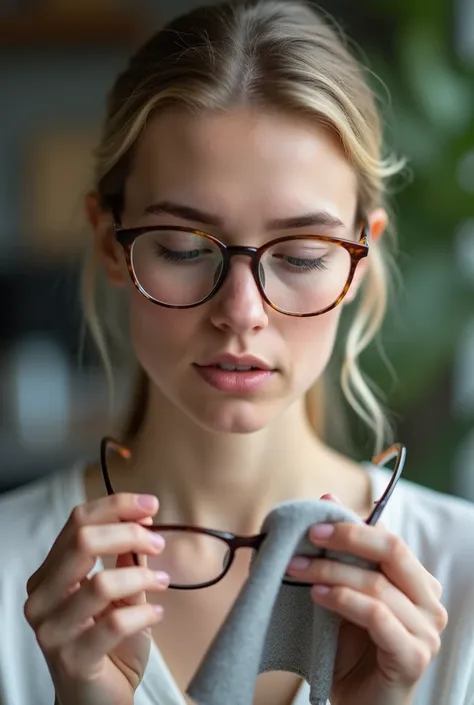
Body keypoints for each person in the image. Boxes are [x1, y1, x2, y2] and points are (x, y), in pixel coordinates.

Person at [1, 1, 473, 703]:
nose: (241, 313)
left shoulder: (461, 579)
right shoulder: (10, 574)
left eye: (303, 255)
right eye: (185, 249)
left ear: (360, 261)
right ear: (110, 244)